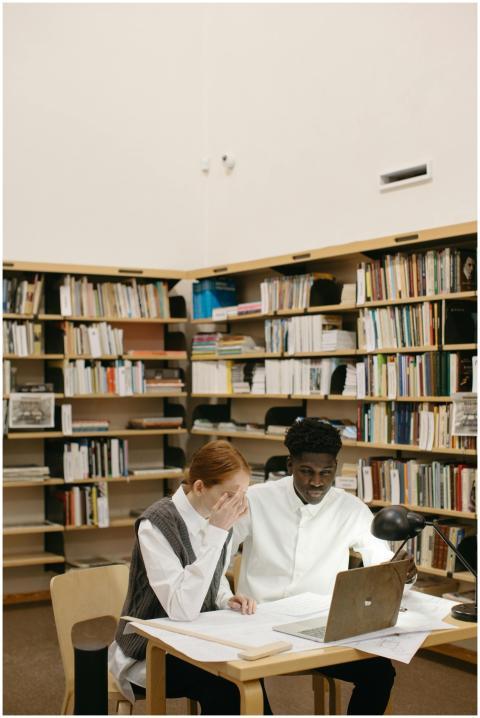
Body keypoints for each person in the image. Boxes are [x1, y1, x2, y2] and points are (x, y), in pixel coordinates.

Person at [232, 418, 417, 715]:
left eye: (326, 472)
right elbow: (220, 555)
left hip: (321, 628)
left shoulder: (350, 508)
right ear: (290, 464)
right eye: (306, 471)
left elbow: (381, 562)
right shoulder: (256, 499)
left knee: (380, 673)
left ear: (336, 466)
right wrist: (222, 598)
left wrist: (400, 573)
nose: (317, 482)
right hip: (258, 622)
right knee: (241, 685)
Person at [109, 440, 271, 715]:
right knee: (225, 683)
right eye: (231, 494)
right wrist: (217, 532)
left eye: (243, 495)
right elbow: (181, 609)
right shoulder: (157, 524)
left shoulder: (219, 518)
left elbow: (215, 580)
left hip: (198, 639)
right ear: (199, 487)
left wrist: (226, 598)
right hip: (149, 651)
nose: (238, 505)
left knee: (248, 670)